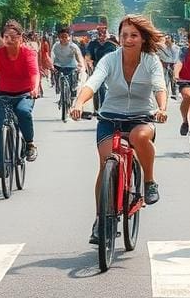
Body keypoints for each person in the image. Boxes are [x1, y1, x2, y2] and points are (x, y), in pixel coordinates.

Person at [71, 15, 168, 244]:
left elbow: (159, 86)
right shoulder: (109, 59)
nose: (128, 39)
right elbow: (93, 82)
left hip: (141, 117)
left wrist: (162, 108)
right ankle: (101, 219)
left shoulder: (151, 61)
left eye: (134, 35)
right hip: (109, 117)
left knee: (139, 136)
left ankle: (149, 181)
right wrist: (78, 103)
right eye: (124, 35)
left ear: (143, 38)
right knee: (106, 164)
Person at [0, 19, 40, 178]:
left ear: (21, 37)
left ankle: (30, 144)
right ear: (2, 38)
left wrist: (34, 88)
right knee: (0, 127)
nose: (10, 40)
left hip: (25, 93)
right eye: (6, 37)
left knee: (23, 112)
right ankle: (0, 165)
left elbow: (34, 72)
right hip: (4, 94)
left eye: (13, 36)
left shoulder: (28, 53)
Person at [85, 18, 118, 108]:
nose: (102, 33)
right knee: (100, 85)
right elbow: (88, 55)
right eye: (99, 30)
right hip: (98, 67)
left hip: (113, 67)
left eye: (104, 29)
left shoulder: (113, 40)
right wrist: (89, 64)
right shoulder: (93, 43)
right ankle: (102, 107)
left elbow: (122, 49)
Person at [51, 27, 85, 98]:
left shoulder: (73, 46)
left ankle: (73, 92)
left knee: (73, 80)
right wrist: (51, 65)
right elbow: (52, 56)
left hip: (70, 66)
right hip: (58, 65)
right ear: (59, 37)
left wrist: (80, 64)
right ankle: (58, 86)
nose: (64, 39)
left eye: (66, 37)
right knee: (55, 74)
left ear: (69, 37)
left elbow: (78, 56)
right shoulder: (55, 46)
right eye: (61, 37)